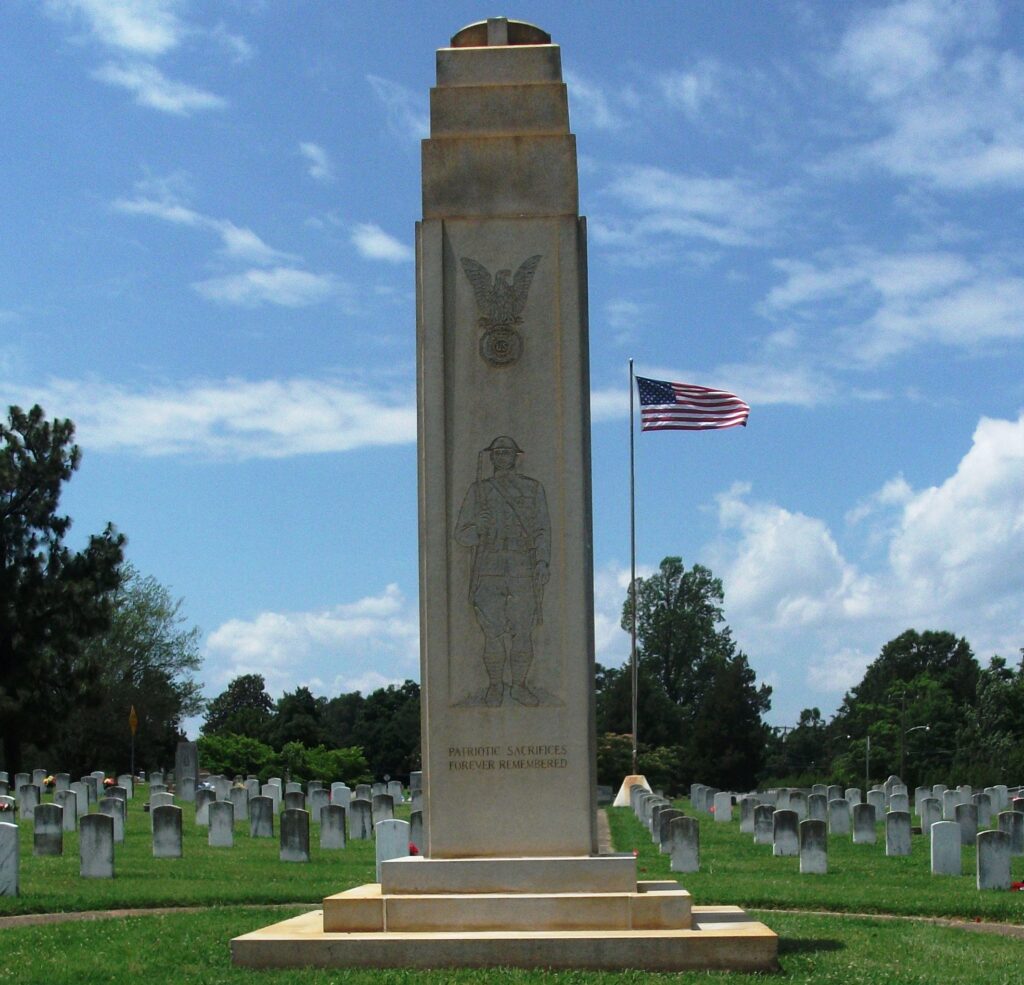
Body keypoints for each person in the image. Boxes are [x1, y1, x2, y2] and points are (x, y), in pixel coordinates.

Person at [455, 436, 550, 706]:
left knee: (523, 631)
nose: (501, 456)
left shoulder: (533, 489)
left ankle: (519, 686)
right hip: (489, 565)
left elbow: (542, 529)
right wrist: (478, 528)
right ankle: (495, 685)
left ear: (515, 456)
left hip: (522, 565)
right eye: (497, 452)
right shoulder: (479, 490)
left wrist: (542, 562)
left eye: (506, 452)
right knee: (492, 632)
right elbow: (461, 535)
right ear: (491, 457)